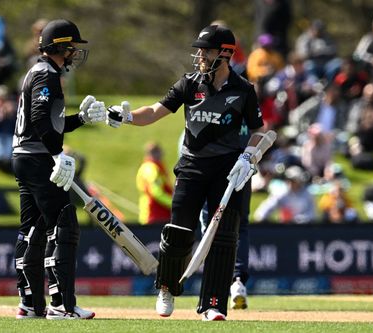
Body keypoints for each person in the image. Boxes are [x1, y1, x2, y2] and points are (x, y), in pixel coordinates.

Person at [106, 25, 264, 321]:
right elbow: (154, 112)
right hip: (192, 167)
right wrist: (126, 115)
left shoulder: (243, 90)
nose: (200, 55)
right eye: (199, 50)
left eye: (206, 50)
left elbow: (259, 130)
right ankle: (166, 287)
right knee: (179, 231)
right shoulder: (189, 84)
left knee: (223, 237)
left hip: (228, 171)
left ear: (225, 54)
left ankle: (213, 304)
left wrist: (249, 155)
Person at [11, 19, 106, 320]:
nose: (75, 53)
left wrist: (81, 118)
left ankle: (30, 304)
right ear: (60, 48)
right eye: (72, 47)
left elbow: (53, 123)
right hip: (38, 158)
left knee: (33, 228)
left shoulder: (39, 71)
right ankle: (62, 305)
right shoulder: (47, 76)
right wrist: (56, 154)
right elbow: (41, 119)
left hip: (24, 157)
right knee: (63, 224)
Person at [136, 142, 173, 225]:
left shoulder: (151, 166)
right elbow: (156, 192)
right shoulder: (151, 168)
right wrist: (174, 203)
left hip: (159, 215)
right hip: (154, 215)